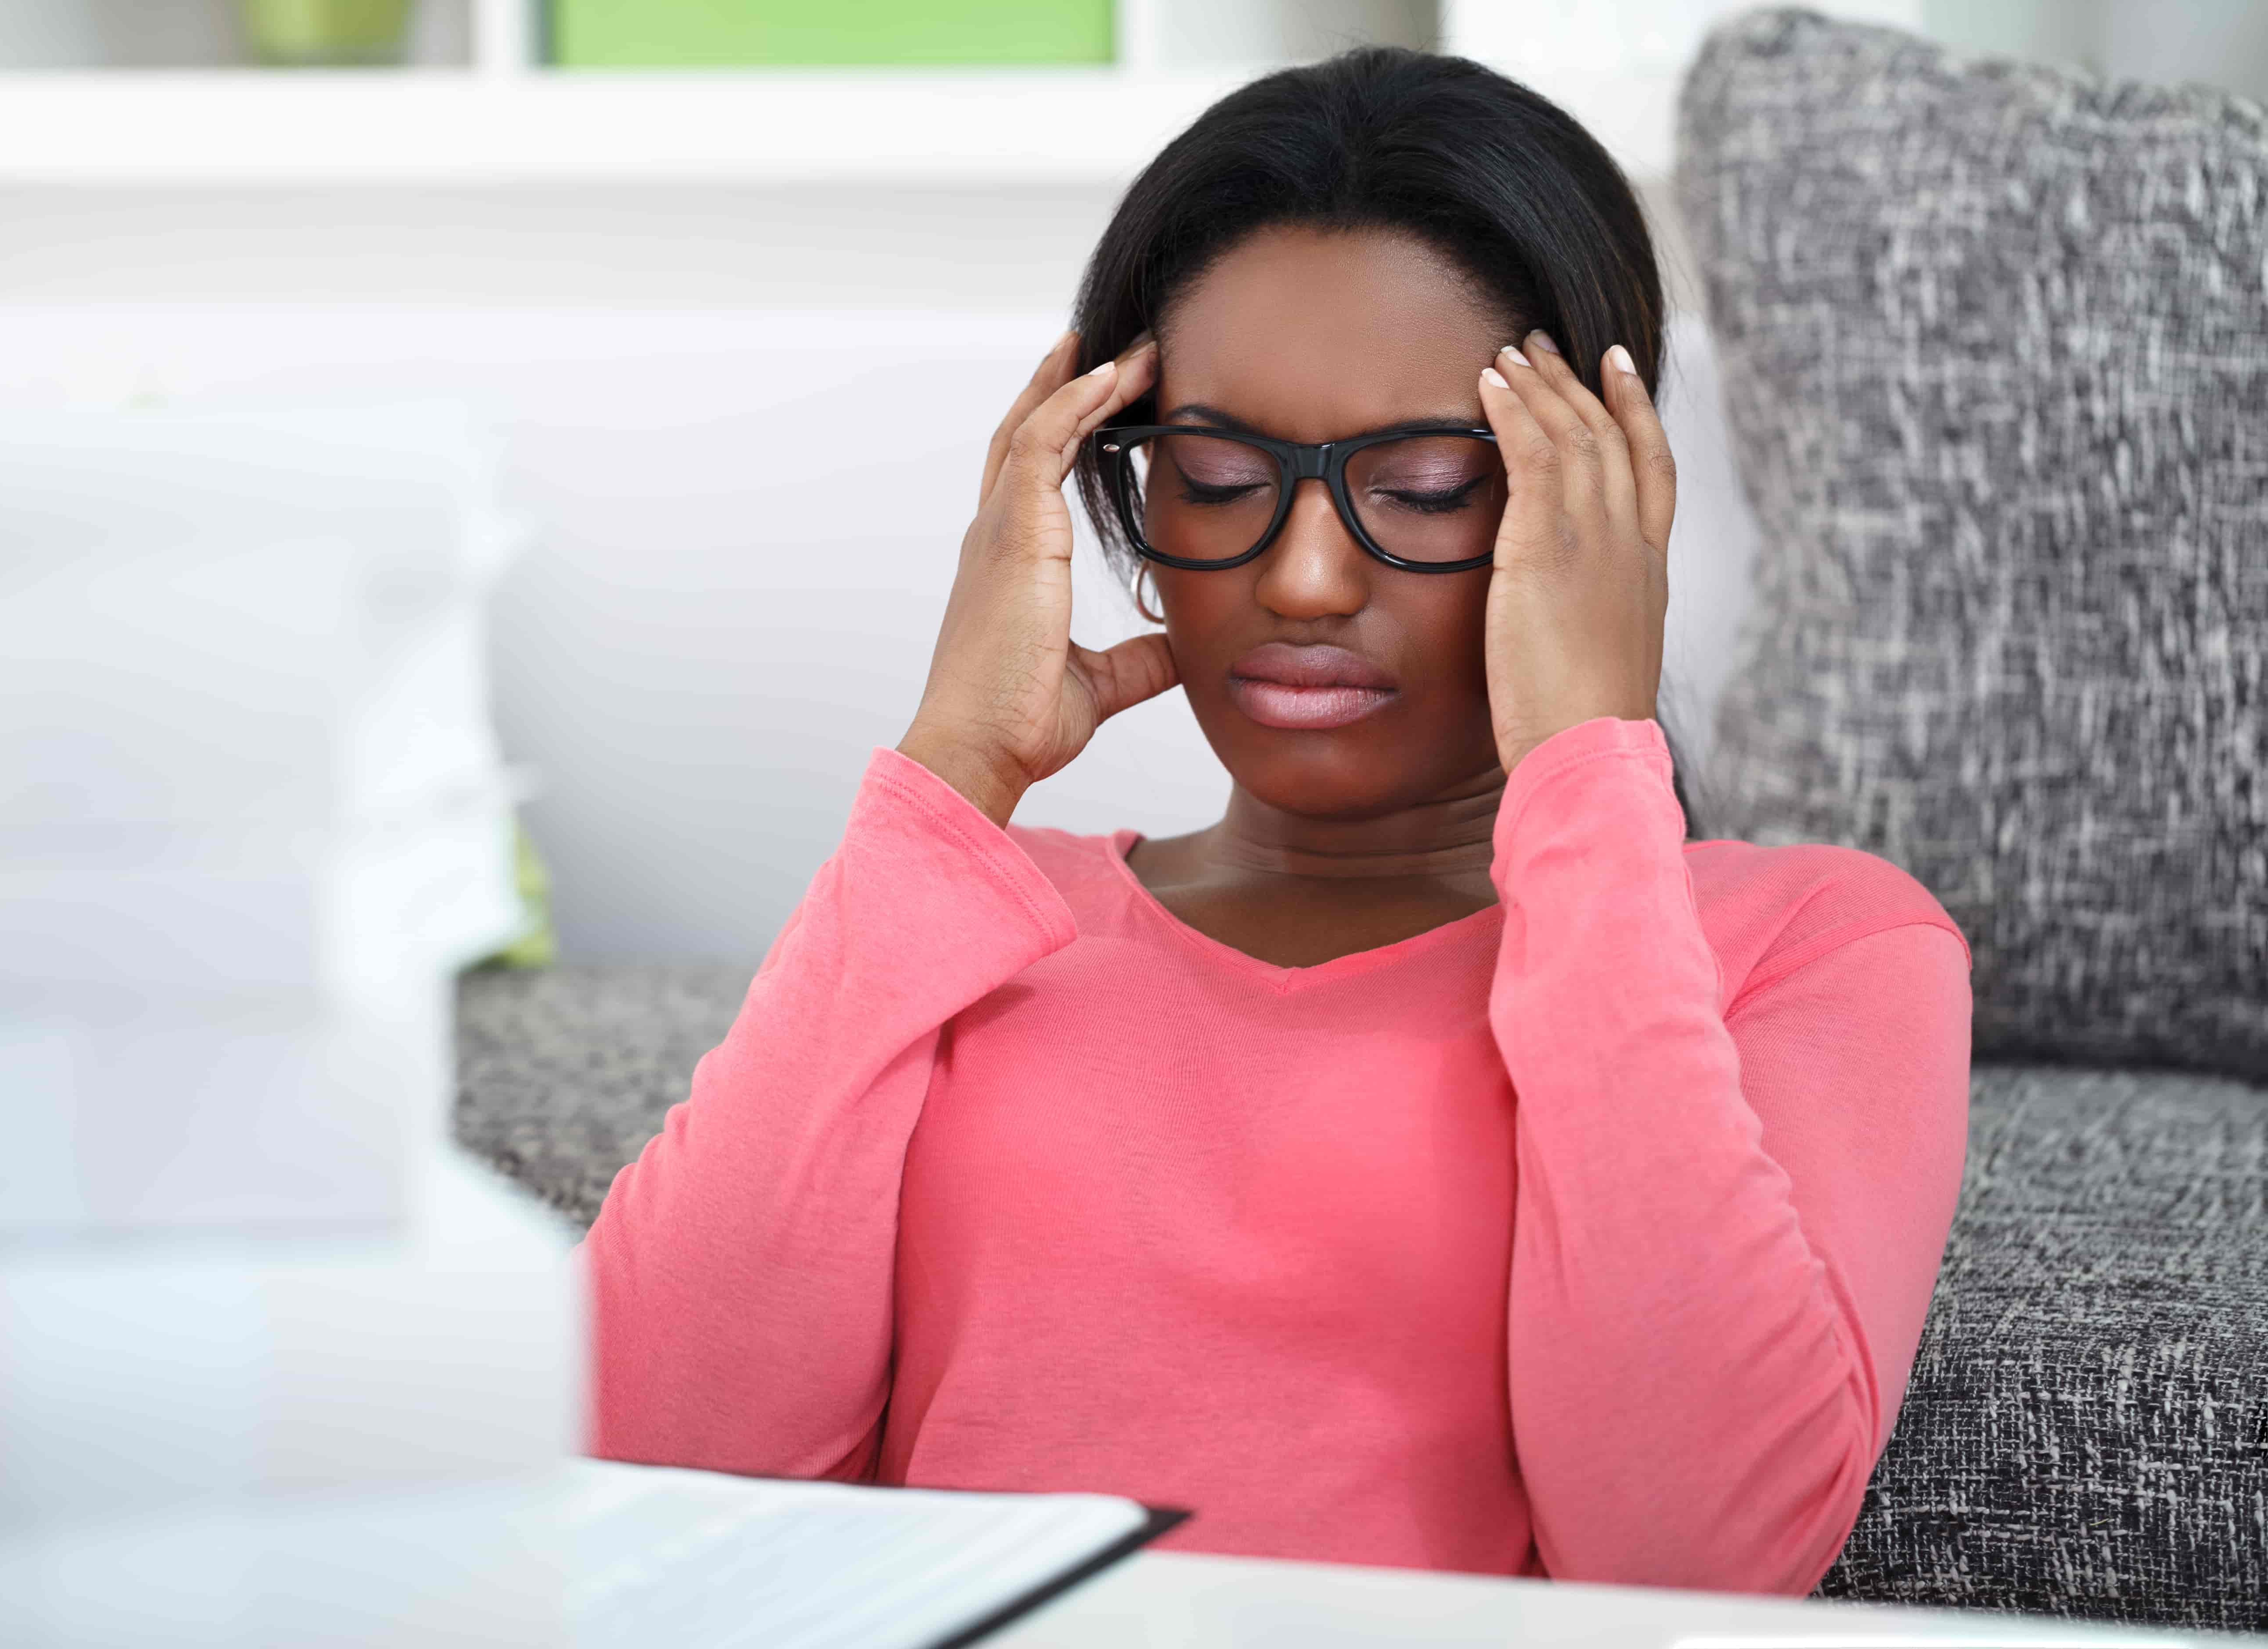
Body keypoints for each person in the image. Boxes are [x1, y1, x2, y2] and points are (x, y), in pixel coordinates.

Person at [583, 46, 1972, 1594]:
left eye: (1434, 482)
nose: (1305, 580)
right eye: (1221, 474)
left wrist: (1590, 762)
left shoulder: (1814, 943)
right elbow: (646, 1465)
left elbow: (1696, 1556)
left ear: (1599, 501)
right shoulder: (955, 916)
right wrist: (946, 781)